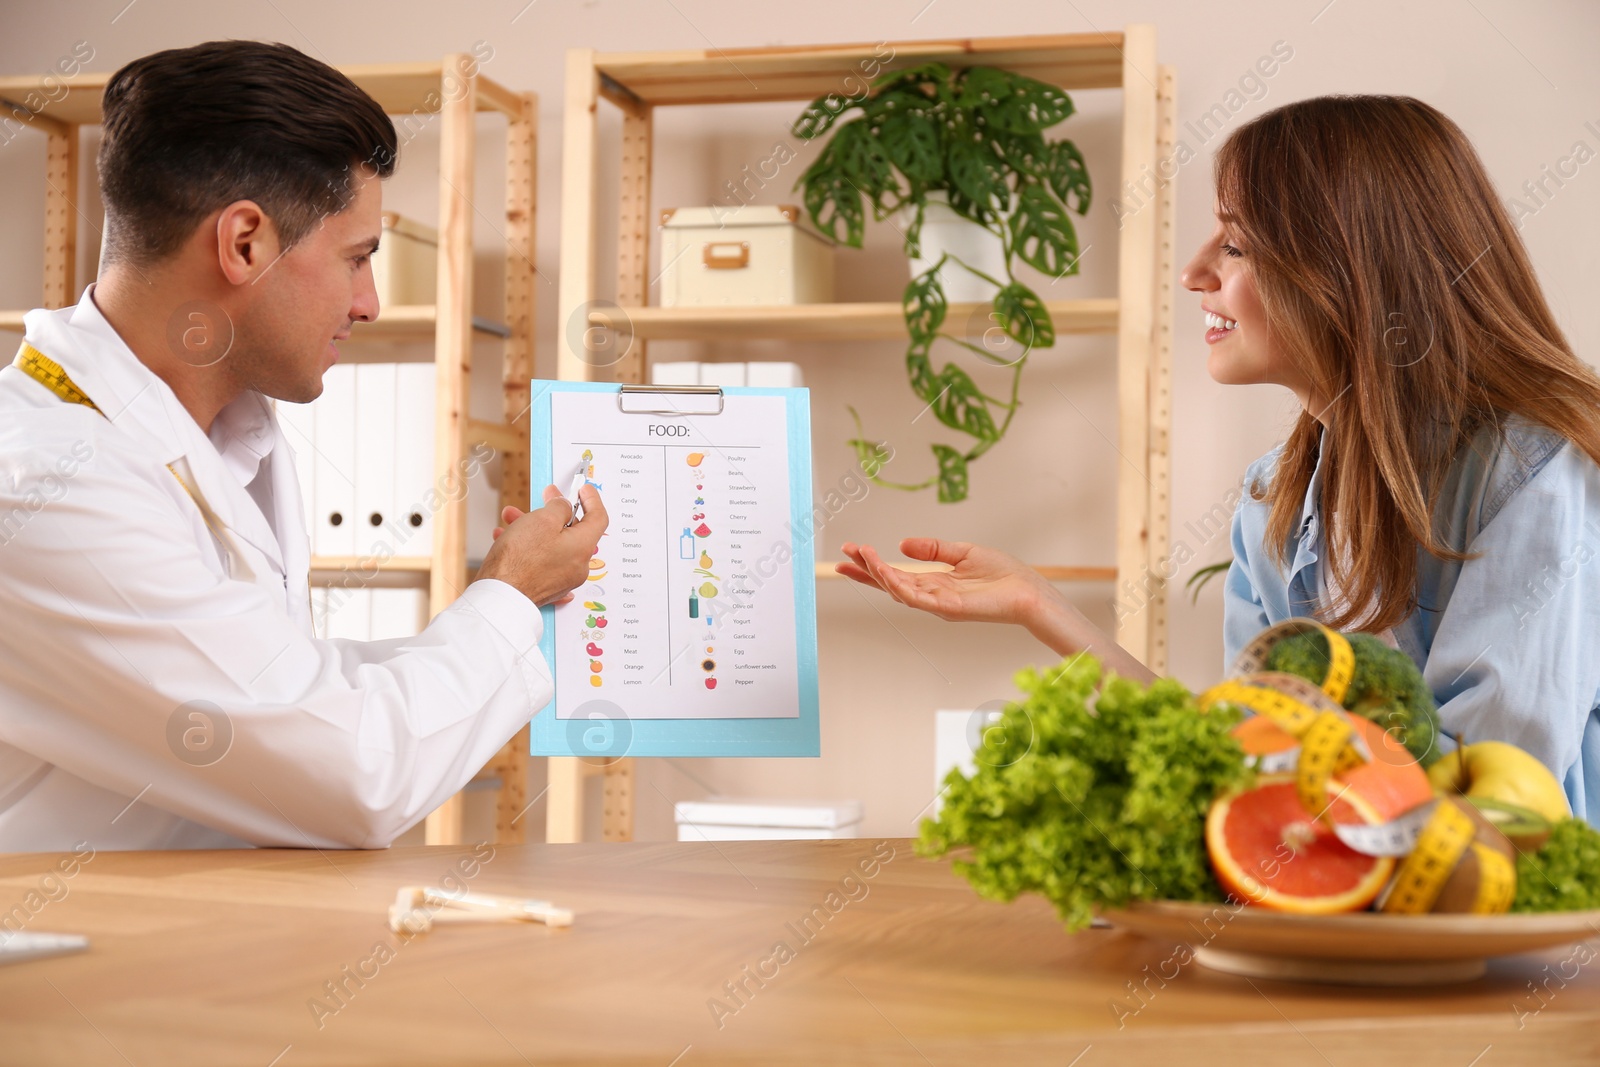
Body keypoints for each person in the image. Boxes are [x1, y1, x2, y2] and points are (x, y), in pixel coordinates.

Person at [840, 94, 1600, 827]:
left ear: (1350, 267)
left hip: (1521, 941)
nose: (1194, 272)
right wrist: (1039, 606)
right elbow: (1244, 750)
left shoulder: (1533, 471)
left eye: (1234, 244)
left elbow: (1490, 792)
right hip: (1359, 921)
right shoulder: (1275, 494)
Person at [0, 41, 606, 850]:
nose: (371, 303)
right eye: (356, 259)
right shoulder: (44, 476)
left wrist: (507, 602)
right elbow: (353, 775)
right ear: (244, 242)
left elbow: (287, 688)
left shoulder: (228, 431)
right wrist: (507, 598)